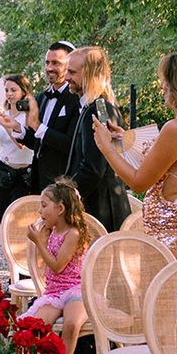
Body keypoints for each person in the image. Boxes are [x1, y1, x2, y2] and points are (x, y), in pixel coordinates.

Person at [93, 51, 177, 257]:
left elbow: (138, 183)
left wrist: (105, 147)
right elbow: (168, 165)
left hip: (170, 235)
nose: (162, 85)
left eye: (166, 81)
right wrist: (124, 140)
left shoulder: (176, 129)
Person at [23, 178, 90, 354]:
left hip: (75, 290)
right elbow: (45, 260)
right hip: (54, 293)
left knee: (71, 324)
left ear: (60, 209)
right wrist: (41, 238)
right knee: (36, 325)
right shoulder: (51, 231)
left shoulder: (73, 234)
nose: (40, 211)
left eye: (44, 206)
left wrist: (38, 242)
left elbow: (57, 266)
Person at [64, 46, 130, 232]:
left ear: (90, 74)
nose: (66, 77)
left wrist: (64, 197)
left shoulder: (98, 109)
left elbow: (93, 167)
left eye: (72, 72)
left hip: (102, 212)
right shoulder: (93, 107)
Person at [18, 40, 80, 192]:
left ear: (70, 65)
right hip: (38, 181)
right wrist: (19, 130)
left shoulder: (77, 99)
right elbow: (38, 143)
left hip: (63, 183)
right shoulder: (42, 97)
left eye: (55, 63)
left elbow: (72, 144)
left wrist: (39, 127)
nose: (49, 68)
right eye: (47, 63)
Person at [0, 75, 34, 220]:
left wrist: (4, 121)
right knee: (4, 218)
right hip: (4, 173)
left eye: (13, 90)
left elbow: (21, 145)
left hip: (24, 176)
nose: (9, 94)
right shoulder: (1, 115)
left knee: (18, 219)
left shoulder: (28, 116)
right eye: (6, 90)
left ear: (23, 92)